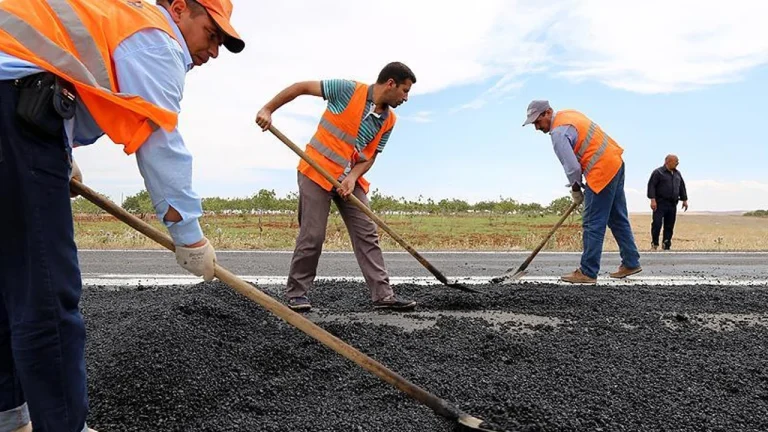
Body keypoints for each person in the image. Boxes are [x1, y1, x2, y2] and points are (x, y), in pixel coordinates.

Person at [0, 1, 244, 430]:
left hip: (16, 105)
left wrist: (59, 144)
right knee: (45, 292)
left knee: (8, 281)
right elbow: (160, 142)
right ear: (180, 8)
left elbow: (56, 73)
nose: (215, 50)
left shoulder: (119, 21)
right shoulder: (158, 39)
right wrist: (188, 235)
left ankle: (9, 415)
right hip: (12, 107)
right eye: (212, 33)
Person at [255, 62, 418, 312]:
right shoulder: (346, 90)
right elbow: (300, 88)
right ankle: (297, 293)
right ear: (391, 84)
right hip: (316, 171)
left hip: (349, 180)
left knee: (367, 232)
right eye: (405, 91)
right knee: (313, 234)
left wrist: (352, 177)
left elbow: (371, 156)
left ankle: (383, 296)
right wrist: (268, 109)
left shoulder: (389, 120)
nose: (406, 98)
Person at [522, 100, 642, 284]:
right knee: (617, 218)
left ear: (548, 112)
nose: (537, 128)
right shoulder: (569, 114)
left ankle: (588, 271)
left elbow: (572, 167)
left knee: (592, 222)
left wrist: (576, 189)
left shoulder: (558, 133)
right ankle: (631, 262)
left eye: (537, 122)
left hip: (601, 171)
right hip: (615, 163)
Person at [647, 154, 688, 250]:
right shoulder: (658, 172)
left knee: (669, 225)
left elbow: (682, 187)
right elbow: (651, 186)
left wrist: (684, 200)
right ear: (667, 161)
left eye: (677, 161)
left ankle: (666, 244)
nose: (677, 163)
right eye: (675, 161)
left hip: (673, 203)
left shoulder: (677, 174)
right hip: (660, 203)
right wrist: (652, 200)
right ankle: (655, 243)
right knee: (657, 223)